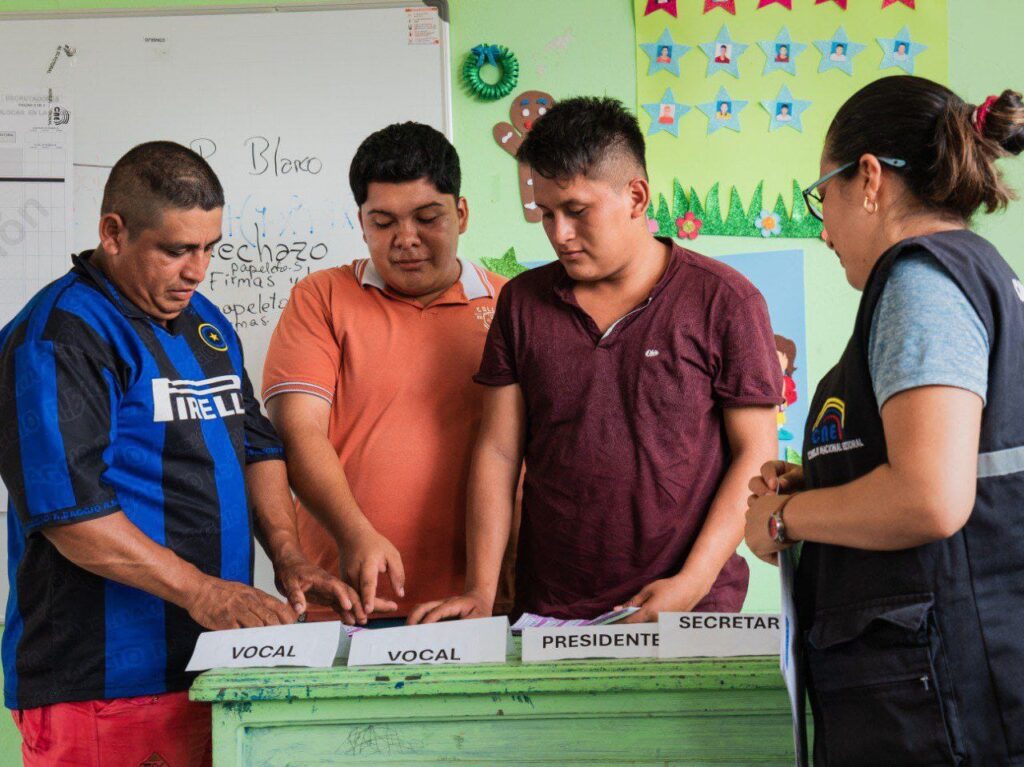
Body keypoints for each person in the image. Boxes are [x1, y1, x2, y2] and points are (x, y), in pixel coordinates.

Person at [0, 141, 352, 767]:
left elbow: (257, 445)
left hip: (217, 670)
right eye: (176, 250)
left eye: (209, 247)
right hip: (102, 684)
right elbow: (71, 515)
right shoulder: (57, 337)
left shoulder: (203, 320)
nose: (198, 270)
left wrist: (289, 556)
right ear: (113, 232)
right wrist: (202, 591)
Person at [411, 97, 781, 626]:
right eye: (546, 214)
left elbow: (754, 454)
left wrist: (690, 584)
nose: (559, 234)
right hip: (550, 610)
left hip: (692, 606)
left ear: (636, 197)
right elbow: (498, 451)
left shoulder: (726, 300)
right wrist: (481, 591)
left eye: (577, 211)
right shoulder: (521, 303)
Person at [745, 76, 1024, 763]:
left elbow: (929, 497)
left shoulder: (919, 285)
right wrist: (827, 479)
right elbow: (953, 458)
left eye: (824, 195)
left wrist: (783, 518)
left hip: (940, 700)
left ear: (868, 178)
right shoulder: (975, 272)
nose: (823, 228)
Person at [262, 122, 508, 626]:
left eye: (427, 218)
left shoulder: (511, 306)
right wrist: (354, 533)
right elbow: (298, 429)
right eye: (383, 222)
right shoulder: (321, 297)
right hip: (349, 602)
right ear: (361, 222)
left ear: (461, 214)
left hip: (480, 603)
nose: (406, 239)